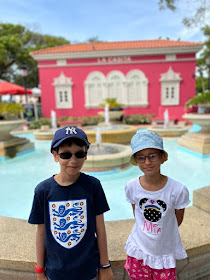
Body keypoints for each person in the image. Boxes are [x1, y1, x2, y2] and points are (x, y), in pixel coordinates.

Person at [28, 126, 114, 280]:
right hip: (56, 272)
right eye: (66, 155)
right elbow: (41, 232)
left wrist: (105, 265)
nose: (73, 160)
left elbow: (100, 229)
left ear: (86, 155)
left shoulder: (93, 186)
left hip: (89, 271)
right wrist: (39, 270)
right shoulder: (43, 190)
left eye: (79, 154)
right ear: (55, 156)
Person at [124, 131, 190, 280]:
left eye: (152, 156)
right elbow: (138, 215)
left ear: (162, 157)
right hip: (138, 250)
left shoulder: (177, 190)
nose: (147, 162)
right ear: (136, 160)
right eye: (141, 157)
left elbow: (176, 221)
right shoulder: (131, 187)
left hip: (163, 252)